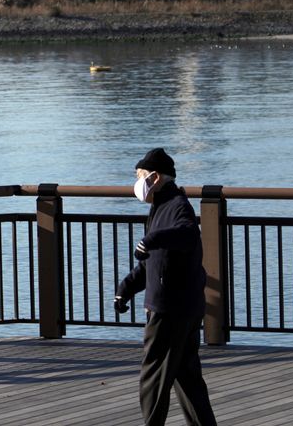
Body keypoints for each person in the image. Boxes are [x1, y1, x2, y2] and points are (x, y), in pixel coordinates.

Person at [114, 148, 217, 426]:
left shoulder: (177, 206)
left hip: (170, 309)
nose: (137, 183)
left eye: (140, 176)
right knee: (187, 378)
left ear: (155, 177)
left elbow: (185, 234)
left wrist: (153, 239)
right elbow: (154, 263)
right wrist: (126, 288)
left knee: (153, 376)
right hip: (181, 305)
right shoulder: (161, 206)